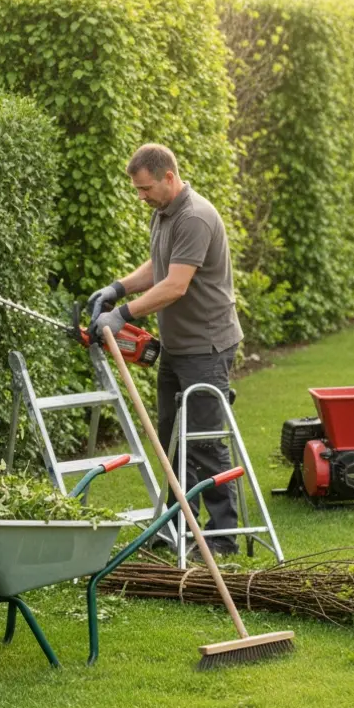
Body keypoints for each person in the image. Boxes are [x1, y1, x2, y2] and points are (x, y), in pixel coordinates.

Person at [88, 143, 244, 555]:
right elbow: (160, 266)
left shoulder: (193, 216)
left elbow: (176, 285)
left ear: (169, 177)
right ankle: (178, 527)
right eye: (138, 190)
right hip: (178, 346)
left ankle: (222, 538)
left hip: (206, 346)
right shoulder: (165, 213)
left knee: (206, 441)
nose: (142, 196)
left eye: (145, 188)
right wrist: (118, 287)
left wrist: (122, 313)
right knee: (172, 439)